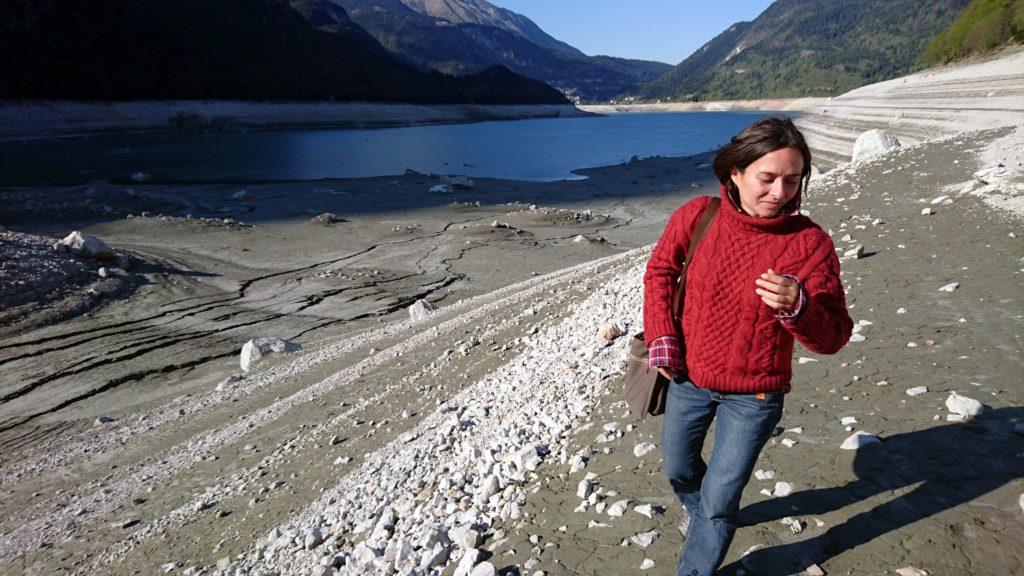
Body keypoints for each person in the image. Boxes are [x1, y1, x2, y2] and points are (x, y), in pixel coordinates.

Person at [642, 116, 853, 576]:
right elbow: (660, 271)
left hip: (755, 396)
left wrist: (799, 307)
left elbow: (834, 336)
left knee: (721, 501)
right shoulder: (698, 216)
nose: (780, 192)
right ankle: (697, 513)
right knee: (679, 468)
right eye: (768, 178)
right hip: (688, 378)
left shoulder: (811, 244)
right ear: (735, 173)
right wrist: (662, 337)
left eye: (792, 180)